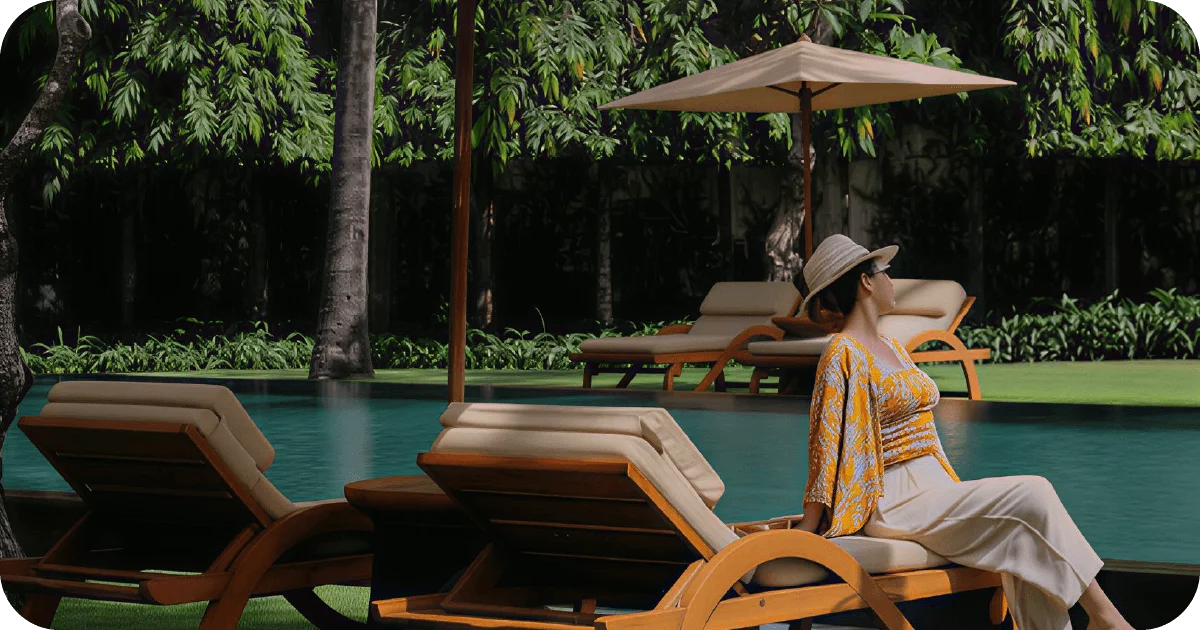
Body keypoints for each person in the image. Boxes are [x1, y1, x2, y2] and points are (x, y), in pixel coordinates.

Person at [792, 234, 1134, 630]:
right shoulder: (841, 352)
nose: (892, 280)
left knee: (1021, 541)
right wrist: (809, 523)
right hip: (895, 497)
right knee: (1033, 492)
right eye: (885, 272)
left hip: (933, 487)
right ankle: (1105, 617)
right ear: (865, 283)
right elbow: (825, 438)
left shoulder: (893, 347)